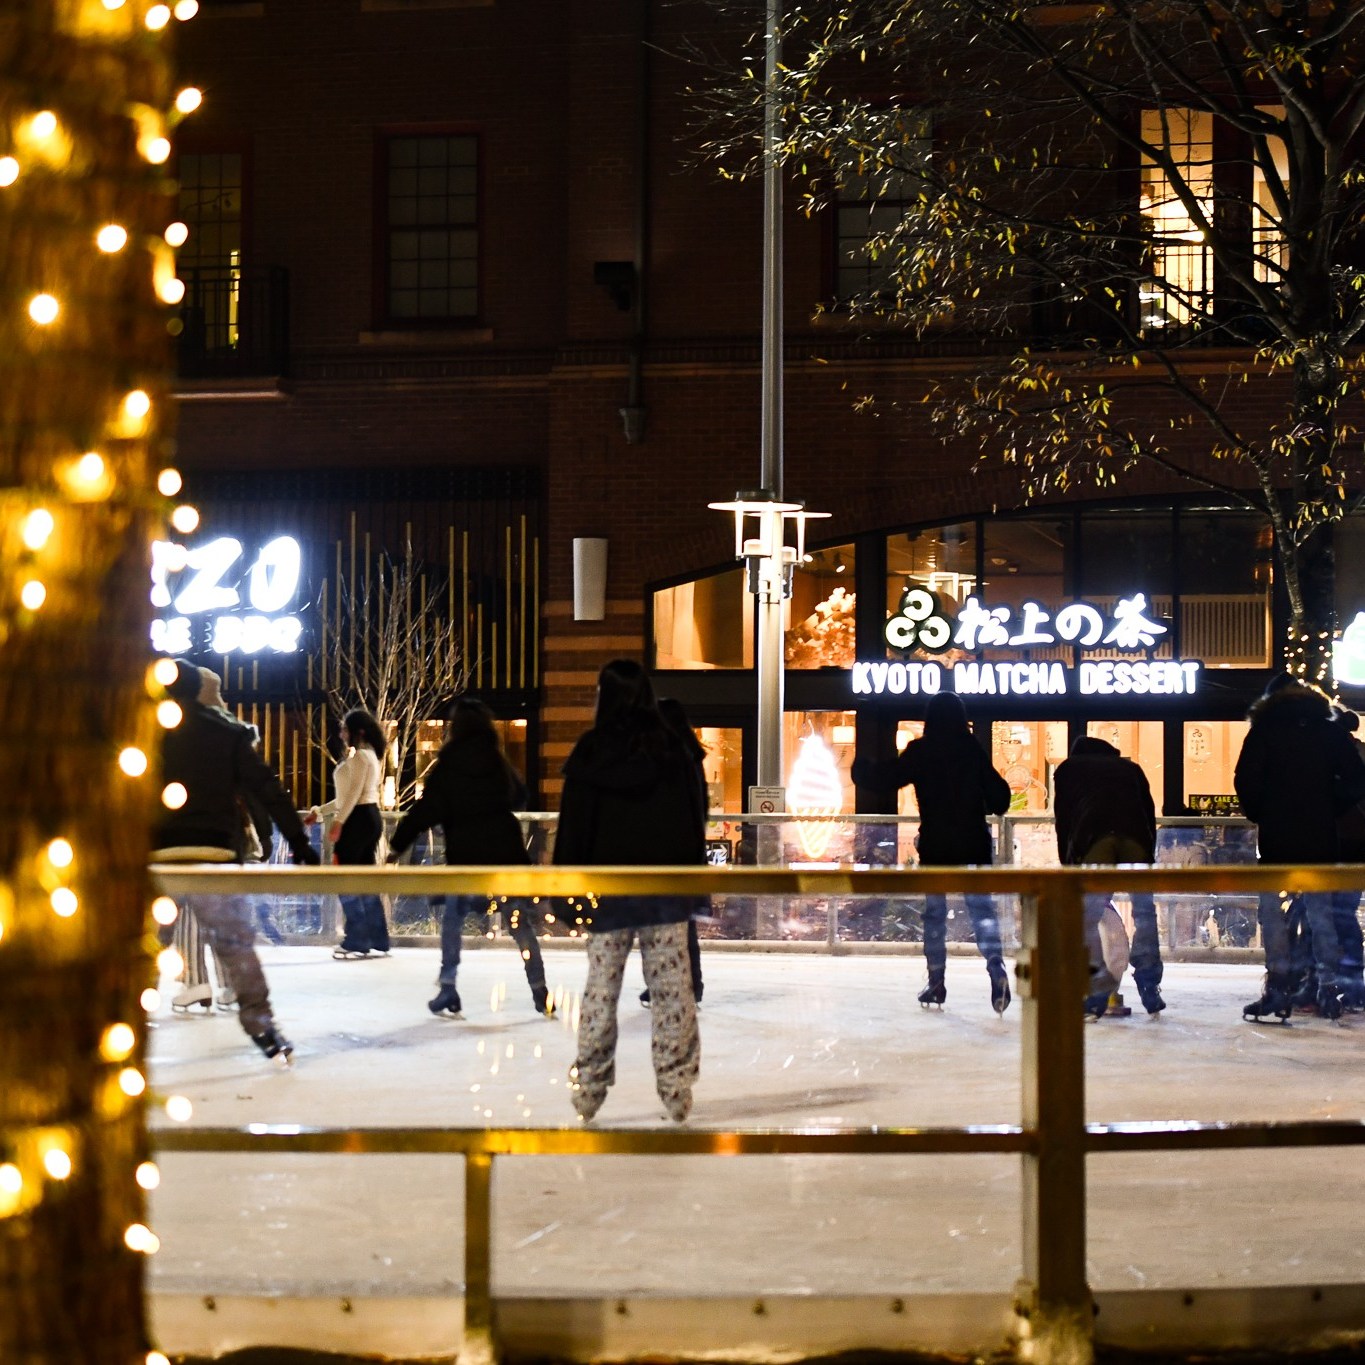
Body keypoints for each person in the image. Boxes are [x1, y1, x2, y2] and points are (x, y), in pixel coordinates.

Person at [554, 659, 705, 1123]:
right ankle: (677, 1088)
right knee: (672, 992)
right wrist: (693, 883)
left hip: (608, 892)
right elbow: (691, 819)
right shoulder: (673, 750)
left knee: (601, 989)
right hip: (663, 890)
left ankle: (589, 1089)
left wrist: (565, 890)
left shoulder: (592, 751)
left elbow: (574, 827)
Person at [152, 658, 321, 1065]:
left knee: (140, 944)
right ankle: (263, 1026)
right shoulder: (226, 734)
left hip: (157, 855)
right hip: (214, 852)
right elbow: (267, 789)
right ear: (198, 691)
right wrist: (299, 843)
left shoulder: (143, 733)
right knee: (234, 944)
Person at [387, 697, 554, 1019]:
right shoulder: (497, 761)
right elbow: (520, 796)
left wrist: (398, 844)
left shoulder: (448, 766)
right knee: (519, 924)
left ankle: (449, 985)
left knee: (453, 917)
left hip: (467, 858)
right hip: (505, 855)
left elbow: (425, 809)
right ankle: (539, 988)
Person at [851, 692, 1012, 1013]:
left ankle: (936, 981)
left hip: (937, 846)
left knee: (935, 915)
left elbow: (886, 779)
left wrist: (862, 762)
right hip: (974, 845)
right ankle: (996, 966)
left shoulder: (921, 752)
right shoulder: (972, 751)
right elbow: (1001, 799)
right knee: (982, 911)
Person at [1234, 673, 1365, 1022]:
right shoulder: (1329, 731)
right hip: (1321, 836)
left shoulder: (1263, 732)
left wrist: (1264, 813)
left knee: (1272, 910)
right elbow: (1354, 781)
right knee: (1322, 912)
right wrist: (1330, 809)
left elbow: (1245, 780)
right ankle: (1328, 984)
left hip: (1277, 837)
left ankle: (1278, 984)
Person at [1053, 735, 1164, 1017]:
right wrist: (1147, 855)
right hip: (1135, 838)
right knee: (1143, 910)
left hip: (1094, 838)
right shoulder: (1130, 768)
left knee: (1089, 913)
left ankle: (1098, 986)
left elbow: (1064, 819)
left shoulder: (1068, 769)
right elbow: (1148, 815)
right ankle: (1149, 982)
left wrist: (1070, 865)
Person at [638, 697, 706, 1009]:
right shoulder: (692, 758)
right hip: (687, 854)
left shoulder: (660, 760)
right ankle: (692, 983)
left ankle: (658, 983)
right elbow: (700, 809)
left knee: (652, 922)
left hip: (658, 854)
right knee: (683, 923)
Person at [309, 709, 390, 959]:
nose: (342, 733)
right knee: (363, 878)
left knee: (346, 878)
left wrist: (339, 823)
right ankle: (377, 937)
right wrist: (320, 812)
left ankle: (357, 938)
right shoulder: (368, 757)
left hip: (358, 820)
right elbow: (346, 797)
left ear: (359, 732)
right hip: (367, 818)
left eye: (346, 729)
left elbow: (353, 796)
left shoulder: (362, 758)